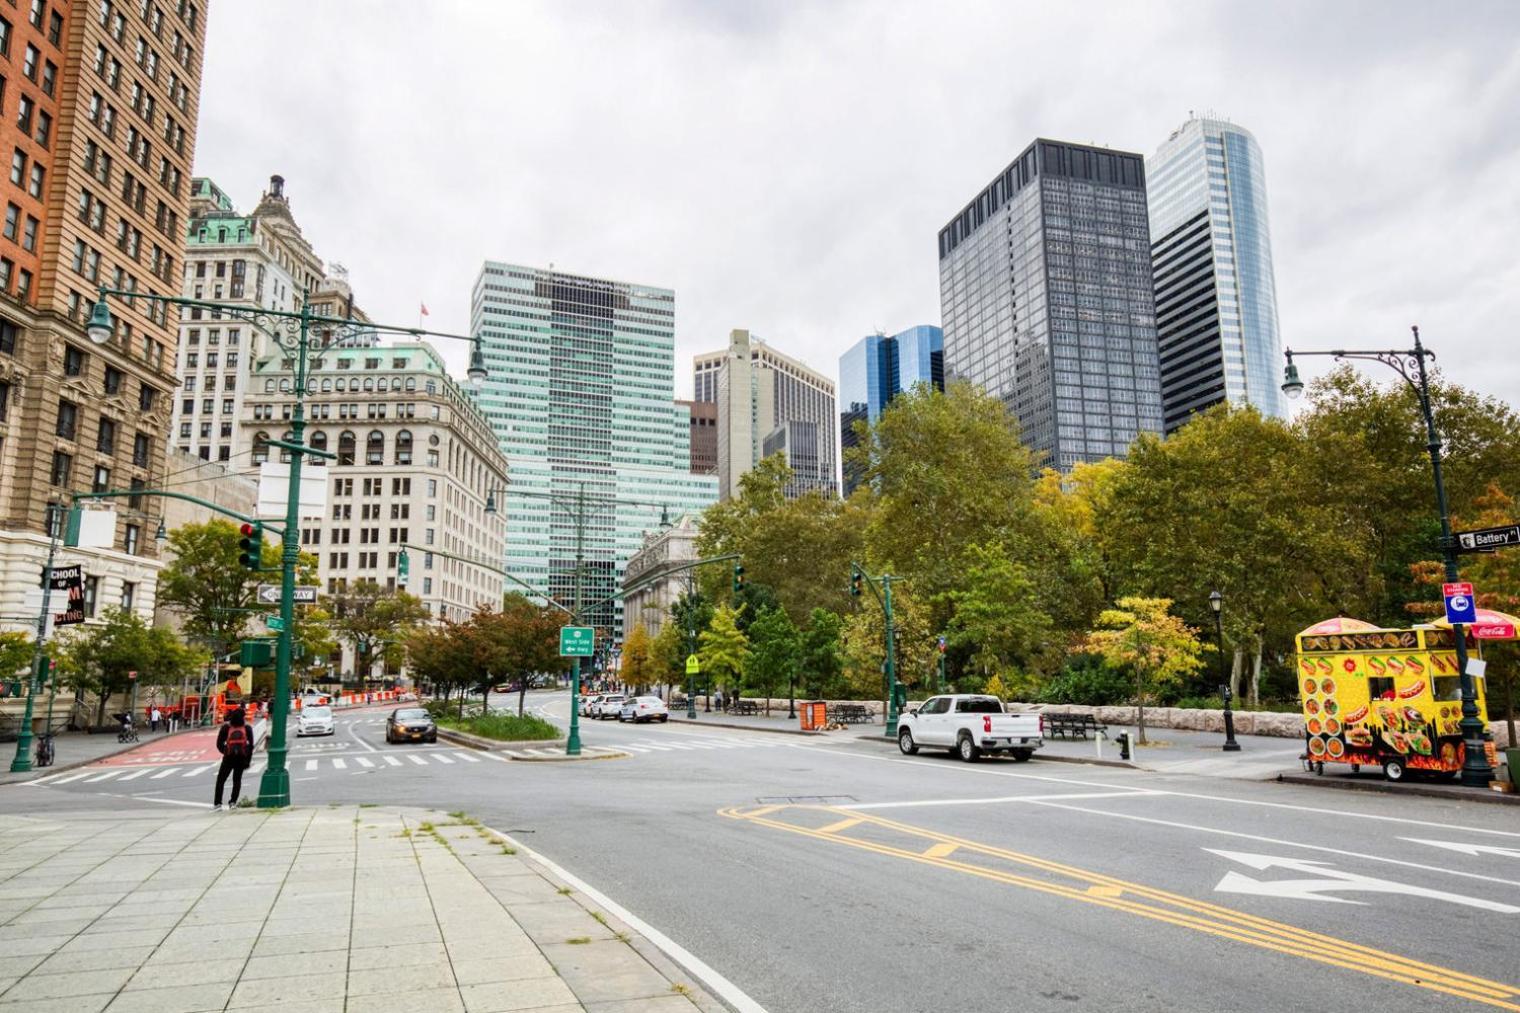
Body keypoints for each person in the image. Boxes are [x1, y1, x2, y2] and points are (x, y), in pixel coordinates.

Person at [213, 708, 254, 811]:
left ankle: (218, 804)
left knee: (221, 780)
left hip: (228, 758)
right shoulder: (247, 728)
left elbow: (219, 744)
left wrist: (225, 751)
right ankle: (233, 802)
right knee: (237, 780)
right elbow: (251, 746)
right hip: (241, 758)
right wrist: (247, 760)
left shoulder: (226, 728)